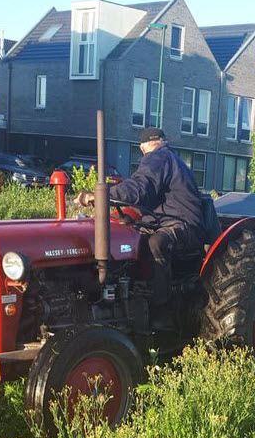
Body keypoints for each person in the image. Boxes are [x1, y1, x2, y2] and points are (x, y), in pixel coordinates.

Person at [75, 127, 205, 309]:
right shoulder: (172, 159)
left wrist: (99, 195)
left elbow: (139, 188)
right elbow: (144, 194)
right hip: (164, 220)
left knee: (155, 243)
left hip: (181, 224)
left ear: (143, 148)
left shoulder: (160, 157)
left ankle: (161, 309)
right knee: (128, 234)